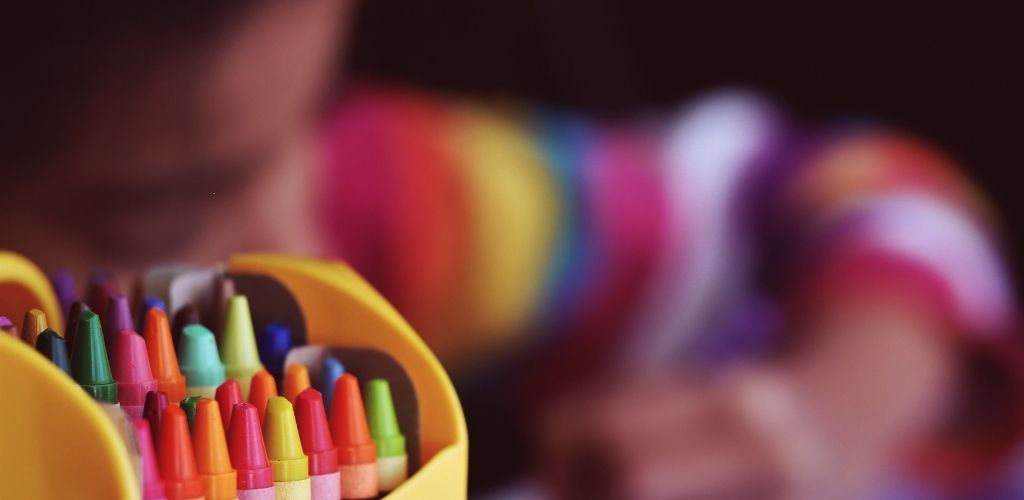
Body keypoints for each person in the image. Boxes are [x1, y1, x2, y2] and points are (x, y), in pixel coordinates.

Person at [2, 3, 1020, 498]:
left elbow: (842, 191)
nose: (300, 242)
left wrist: (819, 408)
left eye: (312, 110)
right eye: (147, 220)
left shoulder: (376, 198)